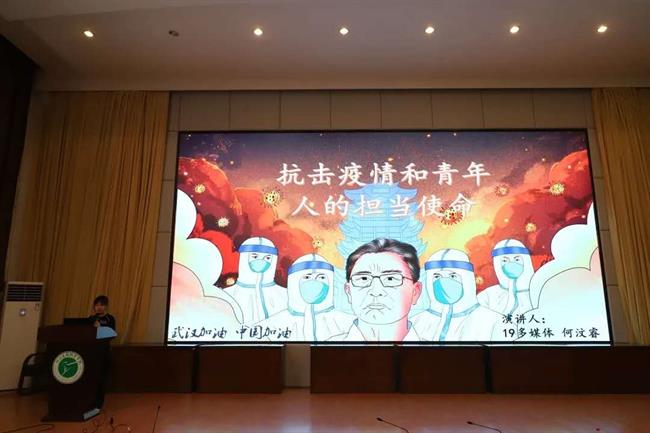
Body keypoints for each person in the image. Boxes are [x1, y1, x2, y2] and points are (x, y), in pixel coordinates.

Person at [330, 238, 423, 342]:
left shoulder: (434, 350)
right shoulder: (326, 349)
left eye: (390, 278)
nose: (375, 291)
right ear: (348, 292)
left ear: (415, 292)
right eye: (363, 278)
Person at [412, 248, 503, 342]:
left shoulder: (492, 320)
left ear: (466, 279)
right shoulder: (416, 322)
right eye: (437, 276)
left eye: (452, 276)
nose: (443, 282)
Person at [259, 254, 354, 341]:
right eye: (307, 277)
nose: (315, 283)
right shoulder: (270, 327)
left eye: (321, 277)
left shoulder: (350, 324)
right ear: (294, 282)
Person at [225, 237, 287, 325]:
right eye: (255, 256)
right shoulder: (227, 295)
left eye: (267, 258)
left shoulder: (285, 294)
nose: (261, 261)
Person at [477, 239, 535, 316]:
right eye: (505, 261)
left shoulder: (538, 291)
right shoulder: (487, 296)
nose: (511, 264)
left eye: (517, 259)